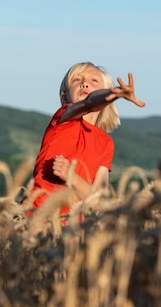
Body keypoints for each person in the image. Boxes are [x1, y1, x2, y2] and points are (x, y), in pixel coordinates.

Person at [28, 62, 145, 217]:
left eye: (94, 81)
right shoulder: (62, 119)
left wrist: (72, 177)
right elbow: (90, 102)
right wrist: (115, 92)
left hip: (72, 230)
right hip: (36, 218)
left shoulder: (106, 143)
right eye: (77, 80)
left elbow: (100, 200)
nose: (84, 84)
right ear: (64, 98)